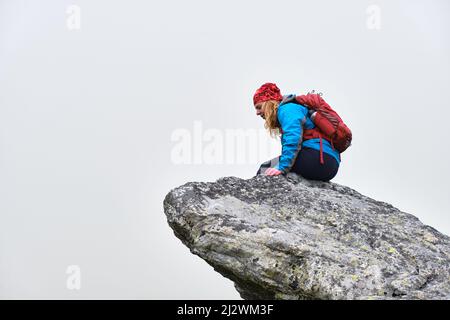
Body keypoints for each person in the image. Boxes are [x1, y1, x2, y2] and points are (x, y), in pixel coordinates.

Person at [253, 82, 340, 181]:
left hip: (317, 158)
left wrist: (282, 167)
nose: (257, 113)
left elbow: (293, 138)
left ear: (269, 103)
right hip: (330, 164)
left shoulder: (287, 109)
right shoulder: (293, 108)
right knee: (271, 167)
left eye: (259, 107)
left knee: (265, 169)